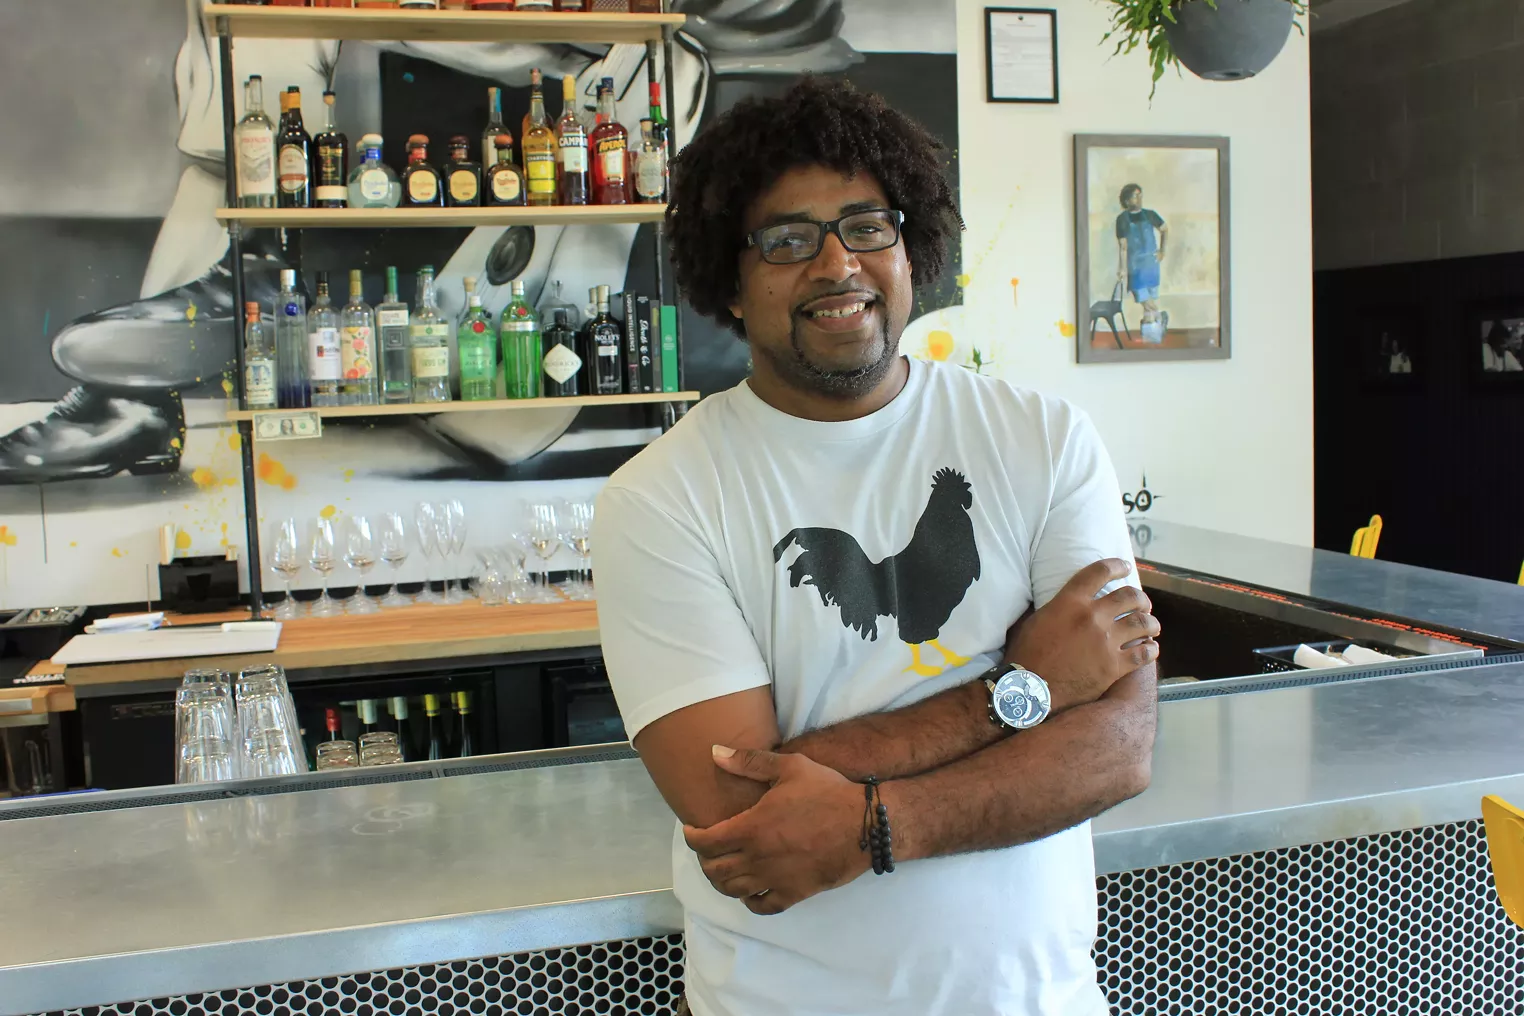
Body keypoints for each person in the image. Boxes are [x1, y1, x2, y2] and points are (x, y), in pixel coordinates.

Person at [593, 77, 1160, 1016]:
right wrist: (1026, 689)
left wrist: (870, 828)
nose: (836, 263)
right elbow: (738, 811)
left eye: (866, 226)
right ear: (729, 282)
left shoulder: (1045, 439)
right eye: (787, 239)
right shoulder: (659, 497)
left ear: (910, 247)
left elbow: (1120, 748)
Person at [1115, 183, 1169, 342]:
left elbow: (1164, 229)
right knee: (1144, 298)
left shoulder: (1150, 215)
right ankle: (1161, 316)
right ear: (1126, 200)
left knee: (1148, 306)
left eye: (1140, 195)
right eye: (1134, 196)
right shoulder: (1122, 219)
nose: (1139, 198)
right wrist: (1122, 268)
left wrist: (1162, 251)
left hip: (1151, 265)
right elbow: (1123, 247)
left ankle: (1152, 336)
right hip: (1135, 267)